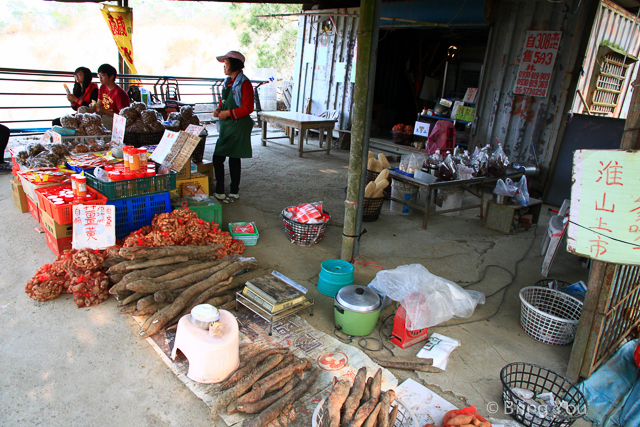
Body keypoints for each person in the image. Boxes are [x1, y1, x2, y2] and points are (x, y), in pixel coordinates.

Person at [212, 51, 254, 203]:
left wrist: (228, 113)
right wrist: (218, 109)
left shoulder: (244, 83)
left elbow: (248, 107)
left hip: (237, 126)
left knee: (227, 158)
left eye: (226, 63)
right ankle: (224, 191)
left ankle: (229, 191)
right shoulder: (227, 82)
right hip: (227, 126)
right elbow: (224, 101)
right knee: (223, 158)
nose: (224, 66)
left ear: (235, 64)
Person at [95, 63, 130, 130]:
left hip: (114, 119)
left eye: (102, 75)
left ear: (111, 77)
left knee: (98, 120)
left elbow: (122, 116)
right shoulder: (102, 87)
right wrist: (94, 107)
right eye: (99, 75)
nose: (100, 78)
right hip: (103, 114)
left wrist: (104, 111)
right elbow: (99, 104)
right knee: (83, 110)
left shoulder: (119, 93)